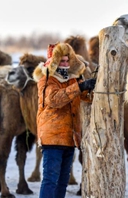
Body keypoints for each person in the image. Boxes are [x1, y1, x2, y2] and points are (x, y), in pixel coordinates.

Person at [33, 42, 96, 198]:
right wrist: (80, 87)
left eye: (68, 61)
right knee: (50, 180)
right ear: (54, 62)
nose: (66, 64)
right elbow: (54, 100)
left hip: (70, 138)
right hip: (52, 139)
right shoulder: (46, 80)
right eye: (62, 61)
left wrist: (94, 87)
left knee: (62, 182)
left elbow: (86, 98)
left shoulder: (72, 80)